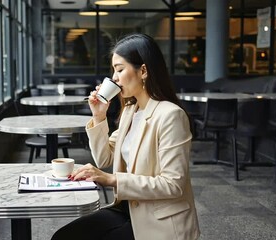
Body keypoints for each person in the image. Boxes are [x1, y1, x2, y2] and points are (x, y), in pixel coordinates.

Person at [51, 33, 200, 240]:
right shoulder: (131, 110)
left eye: (119, 69)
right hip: (129, 207)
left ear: (144, 71)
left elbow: (173, 185)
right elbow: (104, 159)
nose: (114, 78)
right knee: (64, 236)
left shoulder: (170, 115)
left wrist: (111, 179)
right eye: (114, 70)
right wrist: (99, 116)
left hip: (159, 219)